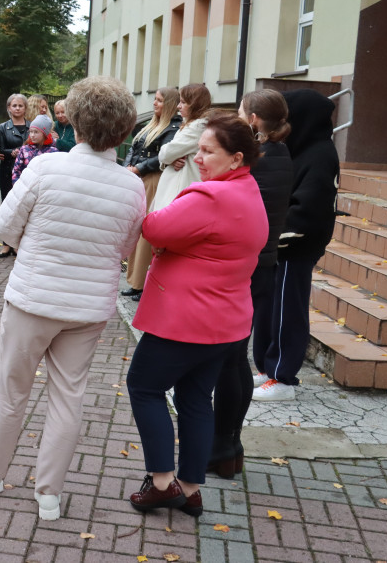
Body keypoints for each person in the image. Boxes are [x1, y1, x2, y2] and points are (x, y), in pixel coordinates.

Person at [0, 76, 146, 522]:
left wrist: (33, 246)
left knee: (12, 388)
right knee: (68, 396)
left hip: (33, 299)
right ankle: (49, 494)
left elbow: (4, 225)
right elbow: (124, 247)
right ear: (121, 131)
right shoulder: (131, 185)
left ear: (74, 122)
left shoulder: (46, 168)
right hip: (88, 306)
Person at [127, 112, 268, 517]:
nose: (199, 158)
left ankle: (160, 483)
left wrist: (171, 244)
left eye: (207, 151)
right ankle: (189, 489)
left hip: (185, 319)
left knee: (144, 386)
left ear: (236, 157)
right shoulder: (248, 190)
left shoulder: (210, 197)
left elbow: (154, 228)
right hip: (227, 322)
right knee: (194, 398)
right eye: (198, 149)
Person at [209, 90, 292, 477]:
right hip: (262, 263)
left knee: (229, 361)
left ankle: (223, 446)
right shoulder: (281, 154)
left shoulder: (261, 161)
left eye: (242, 112)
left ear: (255, 119)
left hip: (249, 265)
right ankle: (229, 446)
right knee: (235, 358)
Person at [252, 89, 339, 402]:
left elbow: (309, 210)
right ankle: (266, 366)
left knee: (288, 311)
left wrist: (276, 233)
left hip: (296, 247)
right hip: (279, 245)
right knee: (269, 310)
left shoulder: (320, 154)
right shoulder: (299, 148)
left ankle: (283, 377)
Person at [120, 88, 181, 301]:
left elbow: (163, 157)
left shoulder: (173, 127)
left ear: (171, 104)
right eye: (155, 99)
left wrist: (138, 169)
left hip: (152, 179)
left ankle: (141, 284)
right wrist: (128, 166)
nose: (155, 104)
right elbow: (133, 148)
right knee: (135, 228)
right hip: (137, 177)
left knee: (147, 232)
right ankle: (134, 282)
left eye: (160, 101)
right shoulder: (152, 124)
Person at [149, 83, 211, 212]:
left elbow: (166, 153)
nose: (178, 106)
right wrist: (170, 161)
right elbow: (168, 156)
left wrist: (168, 158)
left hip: (180, 187)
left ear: (194, 104)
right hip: (177, 186)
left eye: (183, 102)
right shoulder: (189, 124)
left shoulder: (196, 127)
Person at [0, 94, 29, 258]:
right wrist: (12, 152)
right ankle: (6, 244)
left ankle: (19, 244)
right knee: (7, 206)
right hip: (8, 170)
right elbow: (0, 149)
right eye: (14, 105)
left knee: (24, 208)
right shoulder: (2, 127)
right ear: (9, 108)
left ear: (25, 108)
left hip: (28, 172)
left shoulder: (32, 126)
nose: (17, 108)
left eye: (20, 105)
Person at [11, 114, 58, 183]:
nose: (32, 135)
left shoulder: (53, 151)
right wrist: (19, 187)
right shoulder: (24, 150)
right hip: (25, 188)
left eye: (36, 132)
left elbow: (55, 174)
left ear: (44, 134)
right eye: (31, 131)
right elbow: (16, 171)